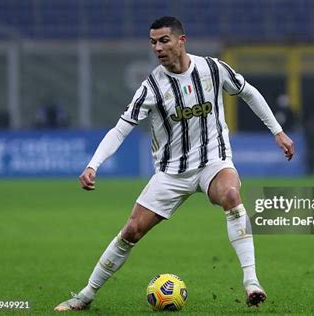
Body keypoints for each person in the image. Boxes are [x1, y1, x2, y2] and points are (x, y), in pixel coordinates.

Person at [54, 16, 294, 312]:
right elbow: (121, 128)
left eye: (164, 40)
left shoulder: (213, 69)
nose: (158, 48)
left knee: (232, 197)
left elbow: (248, 92)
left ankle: (252, 282)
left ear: (182, 41)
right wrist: (94, 164)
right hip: (171, 173)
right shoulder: (152, 86)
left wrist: (277, 131)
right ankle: (85, 295)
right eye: (153, 42)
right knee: (131, 231)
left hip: (213, 162)